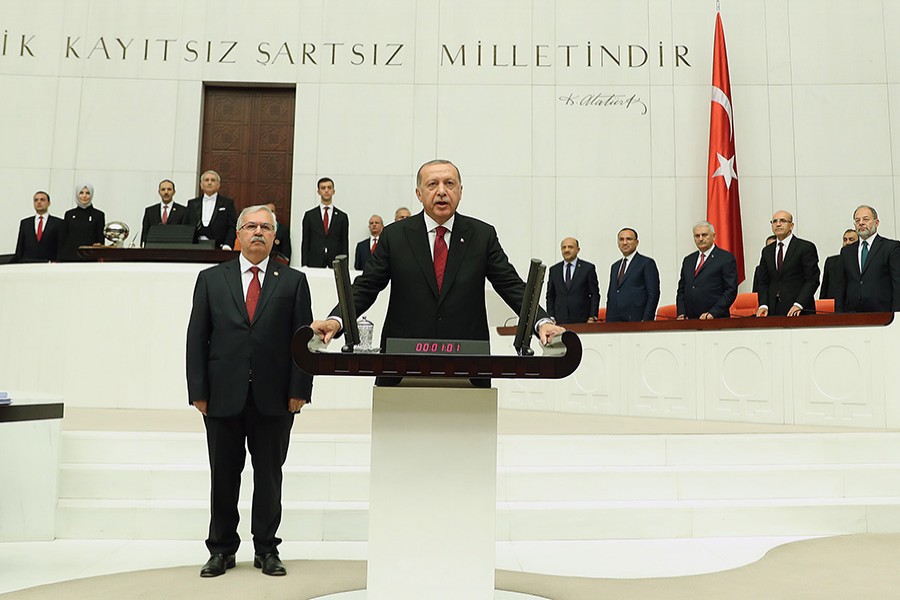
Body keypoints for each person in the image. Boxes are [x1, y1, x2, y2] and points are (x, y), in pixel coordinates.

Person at [310, 159, 565, 382]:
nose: (442, 192)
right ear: (419, 193)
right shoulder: (395, 236)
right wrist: (337, 320)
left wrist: (541, 322)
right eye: (432, 185)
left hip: (469, 363)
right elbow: (366, 287)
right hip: (401, 362)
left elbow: (511, 285)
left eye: (449, 184)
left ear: (461, 191)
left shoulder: (481, 236)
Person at [186, 205, 313, 578]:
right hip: (222, 395)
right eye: (251, 226)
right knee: (223, 475)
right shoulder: (211, 279)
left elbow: (302, 342)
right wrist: (198, 390)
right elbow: (197, 338)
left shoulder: (293, 281)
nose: (258, 232)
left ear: (275, 236)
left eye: (266, 227)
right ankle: (221, 549)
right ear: (238, 234)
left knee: (269, 475)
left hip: (275, 397)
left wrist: (300, 389)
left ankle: (266, 549)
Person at [834, 205, 900, 313]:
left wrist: (897, 315)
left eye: (865, 219)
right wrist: (839, 315)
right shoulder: (846, 252)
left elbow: (897, 283)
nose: (861, 223)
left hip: (883, 315)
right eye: (857, 220)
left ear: (876, 223)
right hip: (852, 315)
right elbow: (840, 286)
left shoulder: (891, 248)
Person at [755, 211, 820, 317]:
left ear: (791, 225)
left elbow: (812, 280)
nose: (778, 224)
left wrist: (799, 304)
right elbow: (763, 281)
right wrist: (763, 305)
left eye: (783, 221)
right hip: (773, 310)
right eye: (774, 221)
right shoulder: (767, 251)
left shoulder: (805, 247)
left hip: (799, 309)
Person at [676, 220, 738, 319]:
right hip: (689, 319)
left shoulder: (725, 258)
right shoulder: (688, 260)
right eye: (697, 236)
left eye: (704, 235)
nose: (700, 239)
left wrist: (713, 313)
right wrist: (681, 312)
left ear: (713, 236)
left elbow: (731, 290)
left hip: (715, 319)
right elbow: (682, 289)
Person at [606, 228, 660, 322]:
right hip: (614, 319)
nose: (625, 242)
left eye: (629, 239)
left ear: (637, 242)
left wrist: (647, 319)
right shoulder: (615, 266)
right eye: (621, 239)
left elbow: (653, 294)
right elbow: (612, 293)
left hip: (636, 317)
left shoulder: (646, 263)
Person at [545, 237, 600, 324]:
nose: (566, 250)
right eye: (564, 247)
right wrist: (551, 316)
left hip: (582, 319)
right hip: (559, 320)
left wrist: (592, 316)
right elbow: (550, 295)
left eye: (570, 247)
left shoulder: (588, 268)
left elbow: (594, 294)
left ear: (578, 250)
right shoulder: (554, 270)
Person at [300, 177, 349, 268]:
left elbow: (344, 243)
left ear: (333, 191)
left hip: (335, 262)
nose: (326, 190)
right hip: (314, 261)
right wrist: (304, 264)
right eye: (323, 188)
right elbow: (305, 241)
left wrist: (344, 265)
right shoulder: (309, 215)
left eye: (329, 188)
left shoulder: (342, 217)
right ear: (318, 192)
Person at [186, 170, 237, 249]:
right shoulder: (192, 203)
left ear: (218, 185)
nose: (209, 183)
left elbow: (232, 226)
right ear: (201, 185)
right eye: (206, 180)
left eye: (213, 180)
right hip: (194, 247)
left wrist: (228, 245)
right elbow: (186, 225)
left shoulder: (227, 204)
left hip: (220, 247)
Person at [58, 183, 106, 262]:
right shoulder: (69, 214)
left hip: (90, 258)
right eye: (81, 193)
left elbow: (100, 240)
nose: (84, 196)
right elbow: (63, 239)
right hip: (69, 258)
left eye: (87, 193)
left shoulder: (99, 215)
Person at [14, 191, 63, 263]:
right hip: (27, 264)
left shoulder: (58, 223)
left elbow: (61, 246)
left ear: (49, 203)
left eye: (42, 200)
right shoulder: (25, 223)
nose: (39, 202)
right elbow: (20, 247)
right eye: (36, 200)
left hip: (49, 265)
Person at [140, 179, 187, 246]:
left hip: (174, 248)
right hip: (154, 248)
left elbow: (184, 233)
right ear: (159, 192)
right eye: (163, 189)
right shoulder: (150, 211)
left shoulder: (183, 211)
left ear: (174, 192)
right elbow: (145, 233)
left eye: (169, 189)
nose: (166, 192)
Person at [820, 229, 858, 300]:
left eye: (851, 239)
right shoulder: (831, 261)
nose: (847, 242)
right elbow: (824, 288)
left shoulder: (862, 261)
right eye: (845, 240)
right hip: (833, 303)